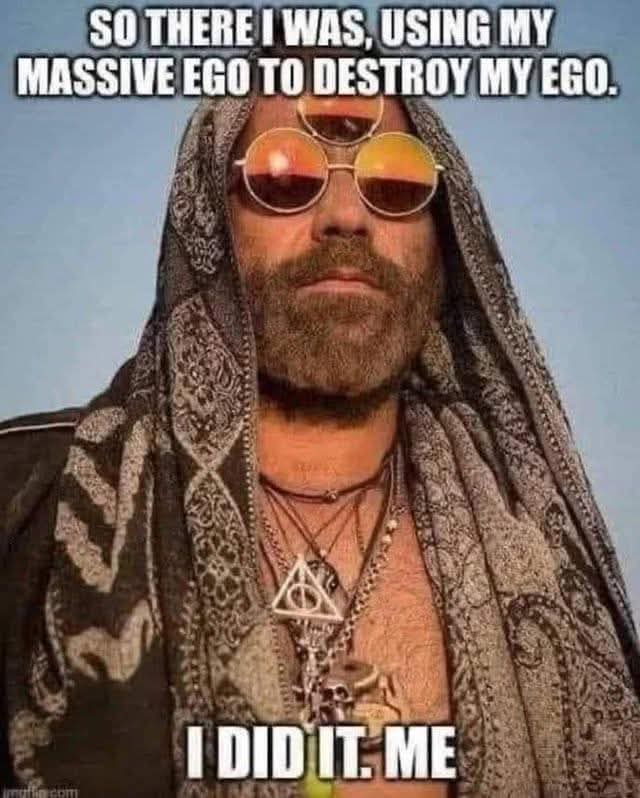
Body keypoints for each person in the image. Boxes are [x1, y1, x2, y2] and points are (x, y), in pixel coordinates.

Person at [1, 84, 638, 798]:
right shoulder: (28, 506)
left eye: (394, 183)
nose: (346, 216)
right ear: (208, 218)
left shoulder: (543, 552)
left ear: (444, 233)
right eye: (284, 177)